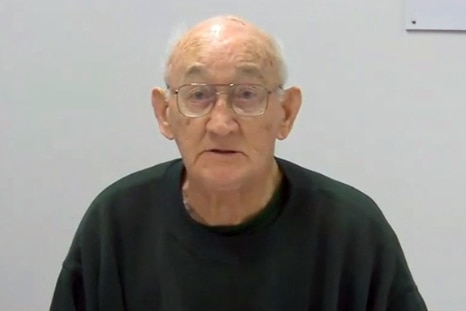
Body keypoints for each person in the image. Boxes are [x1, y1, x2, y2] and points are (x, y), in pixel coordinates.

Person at [50, 15, 428, 311]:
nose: (221, 124)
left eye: (247, 94)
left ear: (286, 112)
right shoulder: (116, 222)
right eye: (198, 95)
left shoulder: (353, 231)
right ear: (165, 114)